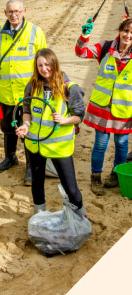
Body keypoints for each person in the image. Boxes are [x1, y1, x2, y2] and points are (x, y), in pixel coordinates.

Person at [15, 49, 86, 215]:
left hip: (59, 147)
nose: (44, 68)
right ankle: (40, 215)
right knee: (36, 183)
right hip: (34, 144)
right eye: (40, 65)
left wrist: (64, 120)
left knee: (70, 186)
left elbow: (79, 116)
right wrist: (25, 125)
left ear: (54, 64)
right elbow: (27, 110)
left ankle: (81, 216)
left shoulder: (69, 88)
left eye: (47, 64)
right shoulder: (32, 85)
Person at [75, 17, 132, 195]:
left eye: (131, 33)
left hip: (124, 109)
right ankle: (96, 178)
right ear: (120, 31)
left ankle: (116, 174)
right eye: (126, 31)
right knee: (100, 144)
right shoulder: (106, 47)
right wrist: (84, 35)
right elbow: (81, 52)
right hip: (102, 108)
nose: (128, 35)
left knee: (122, 144)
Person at [0, 0, 47, 185]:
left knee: (28, 131)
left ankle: (31, 167)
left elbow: (44, 60)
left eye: (17, 11)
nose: (14, 14)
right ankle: (10, 157)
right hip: (5, 92)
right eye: (10, 11)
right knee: (8, 128)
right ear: (5, 12)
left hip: (27, 94)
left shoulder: (35, 31)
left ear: (24, 10)